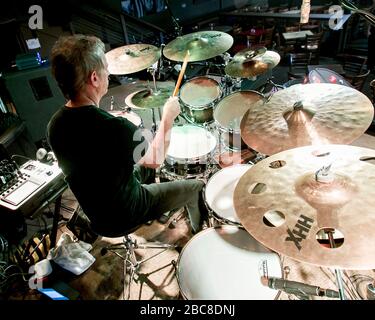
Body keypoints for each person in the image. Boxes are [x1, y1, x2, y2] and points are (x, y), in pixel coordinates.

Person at [47, 35, 204, 237]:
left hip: (97, 212)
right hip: (125, 214)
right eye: (105, 68)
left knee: (142, 167)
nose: (109, 74)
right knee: (196, 186)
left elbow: (96, 160)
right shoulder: (114, 127)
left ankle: (164, 200)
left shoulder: (54, 125)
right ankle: (198, 236)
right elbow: (156, 160)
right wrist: (167, 119)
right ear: (94, 78)